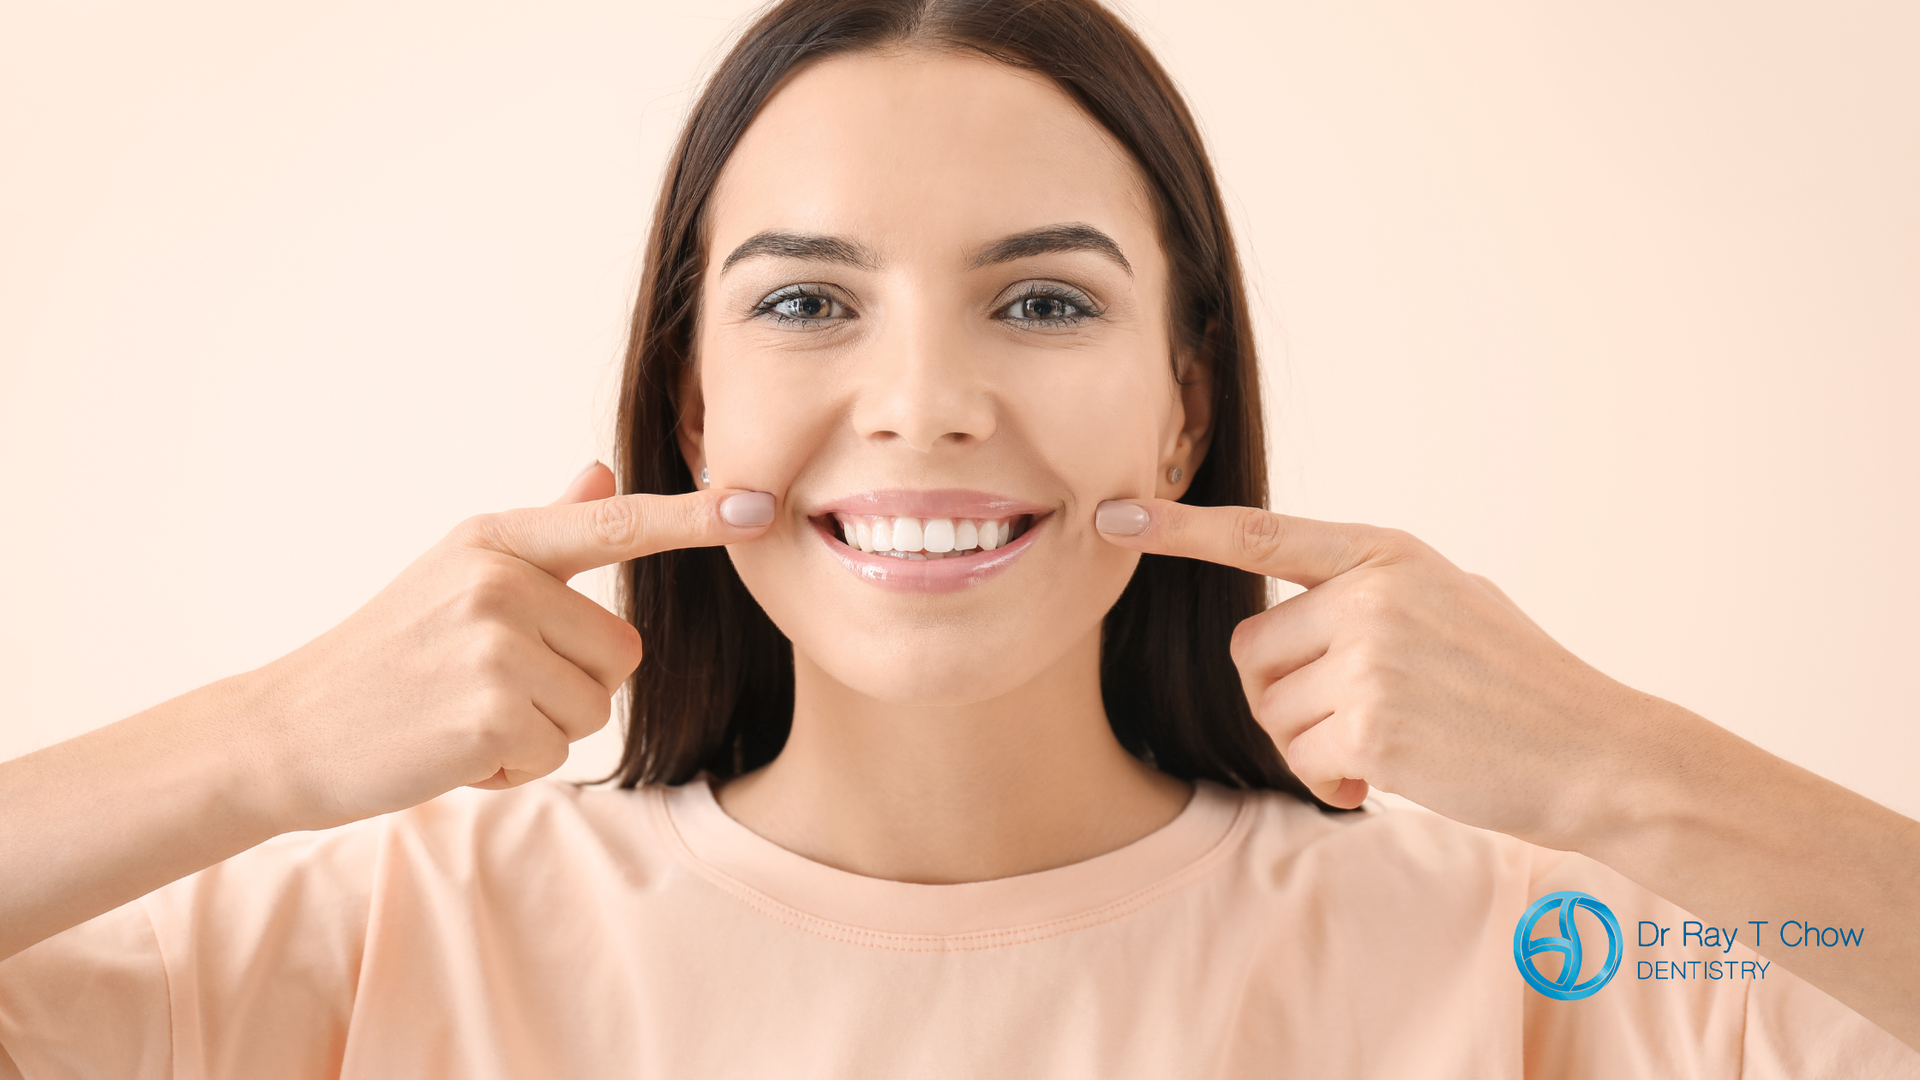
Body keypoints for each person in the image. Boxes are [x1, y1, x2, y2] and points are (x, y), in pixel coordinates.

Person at [1, 0, 1916, 1076]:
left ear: (1183, 398)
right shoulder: (382, 943)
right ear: (691, 406)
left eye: (1048, 304)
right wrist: (262, 745)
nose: (922, 402)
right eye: (809, 304)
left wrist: (1612, 769)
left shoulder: (1529, 958)